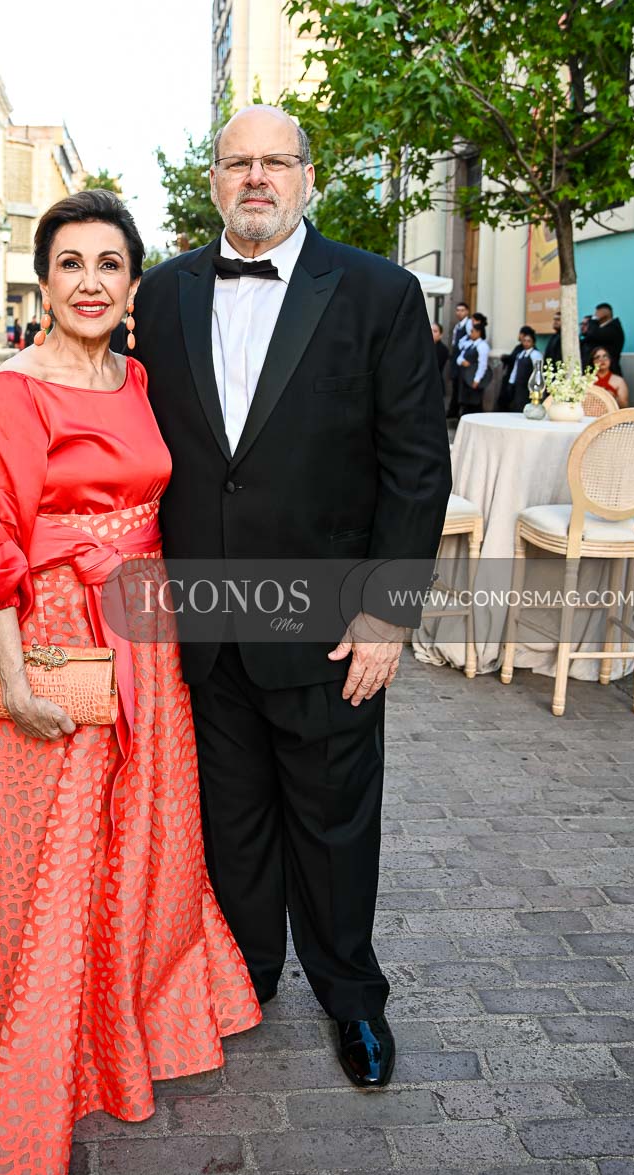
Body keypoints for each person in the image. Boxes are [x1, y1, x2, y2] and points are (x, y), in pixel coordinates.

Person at [0, 189, 260, 1175]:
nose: (91, 282)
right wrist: (12, 675)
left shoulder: (137, 377)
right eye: (71, 264)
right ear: (42, 283)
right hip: (55, 634)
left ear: (133, 281)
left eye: (109, 264)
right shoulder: (10, 393)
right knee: (55, 846)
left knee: (144, 829)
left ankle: (131, 1009)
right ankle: (43, 1037)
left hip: (143, 627)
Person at [132, 106, 451, 1090]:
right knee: (232, 820)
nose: (257, 177)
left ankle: (353, 998)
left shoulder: (379, 292)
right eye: (239, 162)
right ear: (214, 181)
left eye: (277, 161)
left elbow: (416, 469)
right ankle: (247, 980)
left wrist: (388, 615)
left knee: (334, 823)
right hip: (202, 619)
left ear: (309, 176)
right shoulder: (163, 293)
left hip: (328, 622)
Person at [457, 319, 491, 415]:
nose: (470, 334)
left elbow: (482, 365)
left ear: (479, 332)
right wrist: (462, 361)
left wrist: (477, 379)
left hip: (474, 378)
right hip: (466, 378)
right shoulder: (469, 344)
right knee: (465, 403)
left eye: (472, 331)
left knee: (474, 404)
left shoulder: (482, 346)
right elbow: (459, 358)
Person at [506, 325, 542, 413]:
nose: (526, 343)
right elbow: (515, 370)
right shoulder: (520, 354)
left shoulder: (536, 354)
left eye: (529, 341)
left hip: (528, 386)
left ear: (533, 342)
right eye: (524, 341)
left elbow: (538, 371)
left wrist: (537, 386)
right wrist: (511, 382)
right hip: (519, 386)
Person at [447, 301, 472, 418]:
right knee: (455, 385)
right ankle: (453, 410)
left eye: (462, 310)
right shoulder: (457, 326)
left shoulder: (469, 324)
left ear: (467, 312)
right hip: (456, 359)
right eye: (457, 310)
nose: (459, 313)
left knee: (461, 386)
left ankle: (459, 411)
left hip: (463, 360)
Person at [586, 302, 625, 376]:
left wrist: (593, 319)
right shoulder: (603, 328)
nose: (595, 315)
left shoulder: (613, 329)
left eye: (597, 313)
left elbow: (592, 335)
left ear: (604, 313)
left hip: (610, 371)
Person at [497, 326, 526, 412]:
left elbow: (514, 360)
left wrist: (507, 358)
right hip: (510, 377)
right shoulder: (518, 347)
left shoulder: (525, 350)